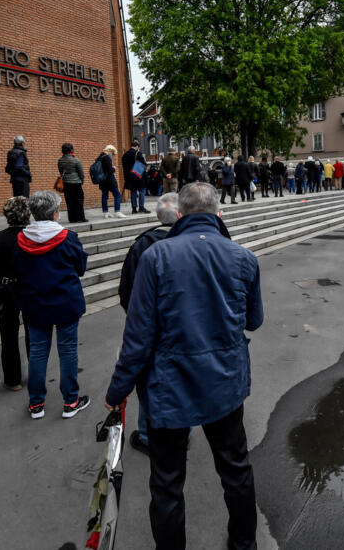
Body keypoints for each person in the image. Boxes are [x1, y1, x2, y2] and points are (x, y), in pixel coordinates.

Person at [104, 182, 263, 549]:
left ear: (180, 214)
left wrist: (117, 390)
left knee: (167, 482)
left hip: (169, 386)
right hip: (224, 382)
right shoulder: (243, 257)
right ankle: (244, 543)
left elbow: (138, 336)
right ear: (219, 213)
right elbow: (254, 320)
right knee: (236, 469)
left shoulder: (155, 257)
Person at [13, 191, 89, 419]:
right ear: (55, 213)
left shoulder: (20, 239)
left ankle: (36, 403)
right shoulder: (68, 238)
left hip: (34, 302)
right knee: (68, 349)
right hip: (65, 300)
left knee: (37, 351)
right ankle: (70, 401)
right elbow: (80, 267)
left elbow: (17, 270)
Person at [117, 192, 180, 454]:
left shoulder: (143, 244)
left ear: (157, 216)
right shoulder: (191, 242)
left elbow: (127, 290)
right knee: (180, 379)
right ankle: (182, 432)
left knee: (149, 381)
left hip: (149, 325)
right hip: (182, 325)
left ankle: (147, 436)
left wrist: (135, 316)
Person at [0, 197, 33, 391]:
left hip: (6, 290)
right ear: (28, 215)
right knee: (34, 334)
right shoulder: (34, 236)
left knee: (9, 336)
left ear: (6, 215)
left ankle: (13, 380)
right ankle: (36, 375)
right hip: (30, 289)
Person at [55, 142, 86, 223]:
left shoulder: (60, 161)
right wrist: (82, 181)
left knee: (69, 201)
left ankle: (72, 219)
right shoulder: (76, 160)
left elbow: (61, 172)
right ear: (71, 150)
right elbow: (81, 173)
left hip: (66, 183)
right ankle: (81, 218)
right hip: (76, 183)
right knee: (79, 200)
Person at [122, 139, 149, 215]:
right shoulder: (138, 153)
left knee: (133, 191)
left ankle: (134, 209)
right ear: (137, 146)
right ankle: (141, 207)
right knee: (142, 191)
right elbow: (144, 164)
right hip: (139, 176)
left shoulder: (125, 155)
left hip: (130, 177)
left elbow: (124, 167)